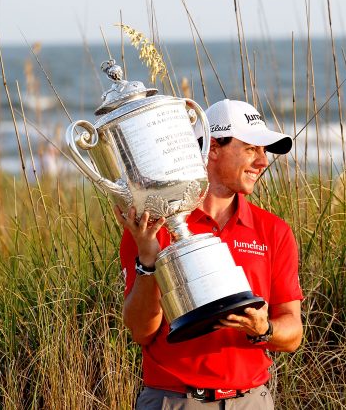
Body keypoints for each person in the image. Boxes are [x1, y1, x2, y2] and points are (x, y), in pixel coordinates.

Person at [115, 99, 303, 409]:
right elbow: (141, 331)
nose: (263, 162)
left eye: (264, 152)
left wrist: (263, 329)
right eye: (251, 149)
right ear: (213, 148)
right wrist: (148, 262)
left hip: (252, 401)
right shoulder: (154, 224)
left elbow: (293, 332)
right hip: (175, 401)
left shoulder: (274, 231)